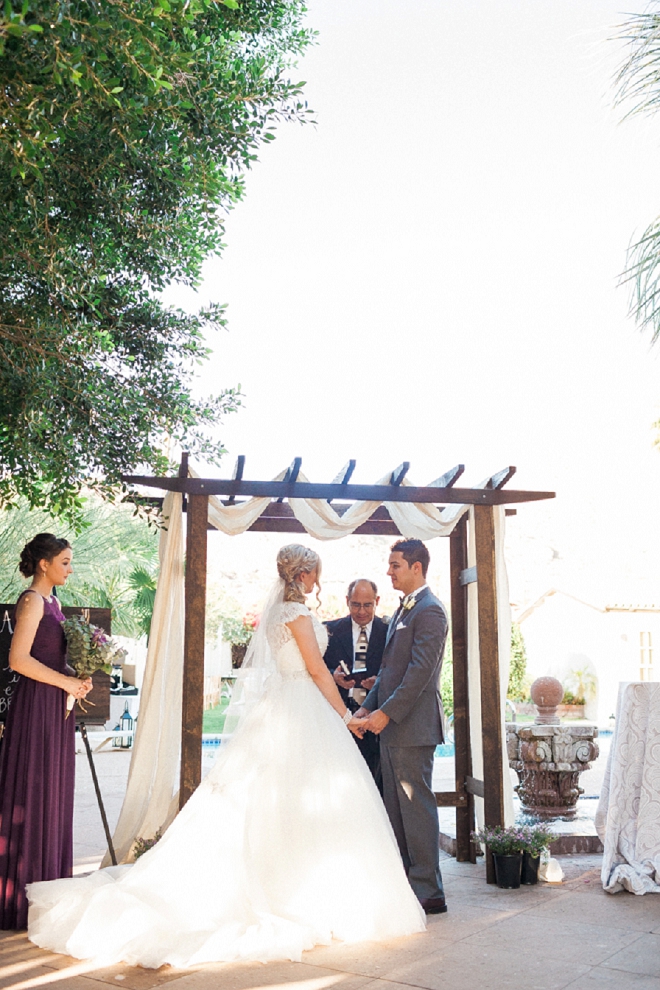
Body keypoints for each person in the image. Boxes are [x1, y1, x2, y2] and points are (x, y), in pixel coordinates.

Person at [26, 545, 425, 968]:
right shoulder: (298, 614)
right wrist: (345, 715)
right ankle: (298, 895)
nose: (315, 581)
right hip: (302, 707)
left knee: (275, 800)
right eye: (314, 574)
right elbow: (317, 670)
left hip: (281, 706)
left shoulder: (276, 613)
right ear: (305, 574)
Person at [0, 534, 92, 930]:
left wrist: (76, 679)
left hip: (55, 706)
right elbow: (18, 660)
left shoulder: (54, 604)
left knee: (52, 793)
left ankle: (47, 887)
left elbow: (48, 657)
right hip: (35, 707)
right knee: (32, 791)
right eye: (66, 561)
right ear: (45, 564)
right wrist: (64, 682)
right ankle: (18, 900)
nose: (70, 568)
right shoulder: (33, 601)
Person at [356, 539, 448, 915]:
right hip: (393, 728)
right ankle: (409, 886)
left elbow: (419, 675)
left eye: (395, 565)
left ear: (416, 567)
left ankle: (430, 892)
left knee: (416, 809)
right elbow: (390, 672)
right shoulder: (402, 610)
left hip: (413, 729)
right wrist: (366, 707)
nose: (389, 572)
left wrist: (386, 714)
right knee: (396, 811)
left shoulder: (431, 611)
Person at [324, 579, 387, 788]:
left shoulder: (388, 632)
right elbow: (315, 667)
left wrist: (379, 683)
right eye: (355, 605)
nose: (361, 611)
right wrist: (334, 676)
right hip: (340, 718)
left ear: (376, 601)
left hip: (376, 721)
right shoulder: (330, 631)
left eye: (367, 605)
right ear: (347, 601)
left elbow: (398, 671)